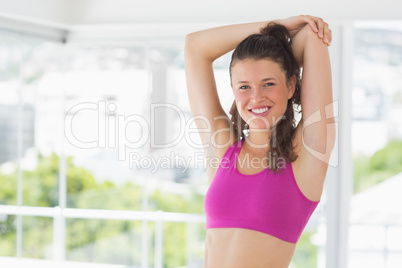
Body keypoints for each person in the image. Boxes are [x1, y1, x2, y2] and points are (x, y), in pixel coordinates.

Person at [184, 15, 335, 268]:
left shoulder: (309, 153)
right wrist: (275, 27)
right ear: (233, 89)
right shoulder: (223, 150)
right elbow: (194, 47)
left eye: (268, 83)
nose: (256, 97)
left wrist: (275, 40)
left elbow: (312, 37)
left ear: (291, 86)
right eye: (244, 87)